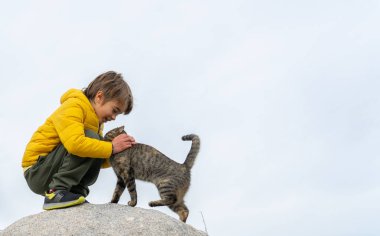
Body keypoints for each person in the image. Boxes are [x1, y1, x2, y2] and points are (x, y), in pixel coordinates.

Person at [22, 71, 136, 210]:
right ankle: (56, 193)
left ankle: (74, 193)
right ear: (99, 97)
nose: (114, 117)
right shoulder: (74, 106)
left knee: (97, 144)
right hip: (37, 171)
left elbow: (94, 157)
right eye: (114, 110)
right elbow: (75, 145)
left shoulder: (96, 122)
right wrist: (111, 147)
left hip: (51, 170)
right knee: (92, 140)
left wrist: (118, 154)